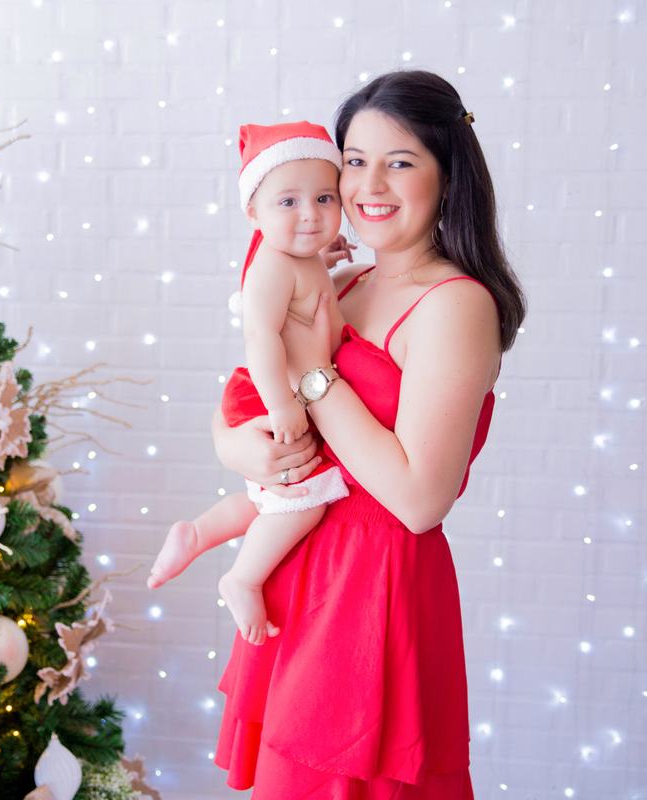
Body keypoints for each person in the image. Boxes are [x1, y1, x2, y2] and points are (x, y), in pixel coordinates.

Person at [211, 70, 526, 798]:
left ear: (448, 176)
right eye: (354, 161)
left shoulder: (455, 305)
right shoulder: (341, 281)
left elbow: (418, 500)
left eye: (401, 162)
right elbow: (241, 401)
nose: (369, 185)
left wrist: (314, 375)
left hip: (373, 592)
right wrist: (240, 448)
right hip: (301, 574)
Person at [148, 122, 352, 645]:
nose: (310, 214)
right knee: (306, 498)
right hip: (266, 391)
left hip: (278, 390)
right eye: (288, 202)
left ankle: (198, 533)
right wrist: (282, 405)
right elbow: (260, 336)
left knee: (273, 495)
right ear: (253, 213)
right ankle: (242, 578)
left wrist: (325, 259)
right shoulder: (273, 266)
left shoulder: (298, 258)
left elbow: (305, 298)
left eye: (324, 198)